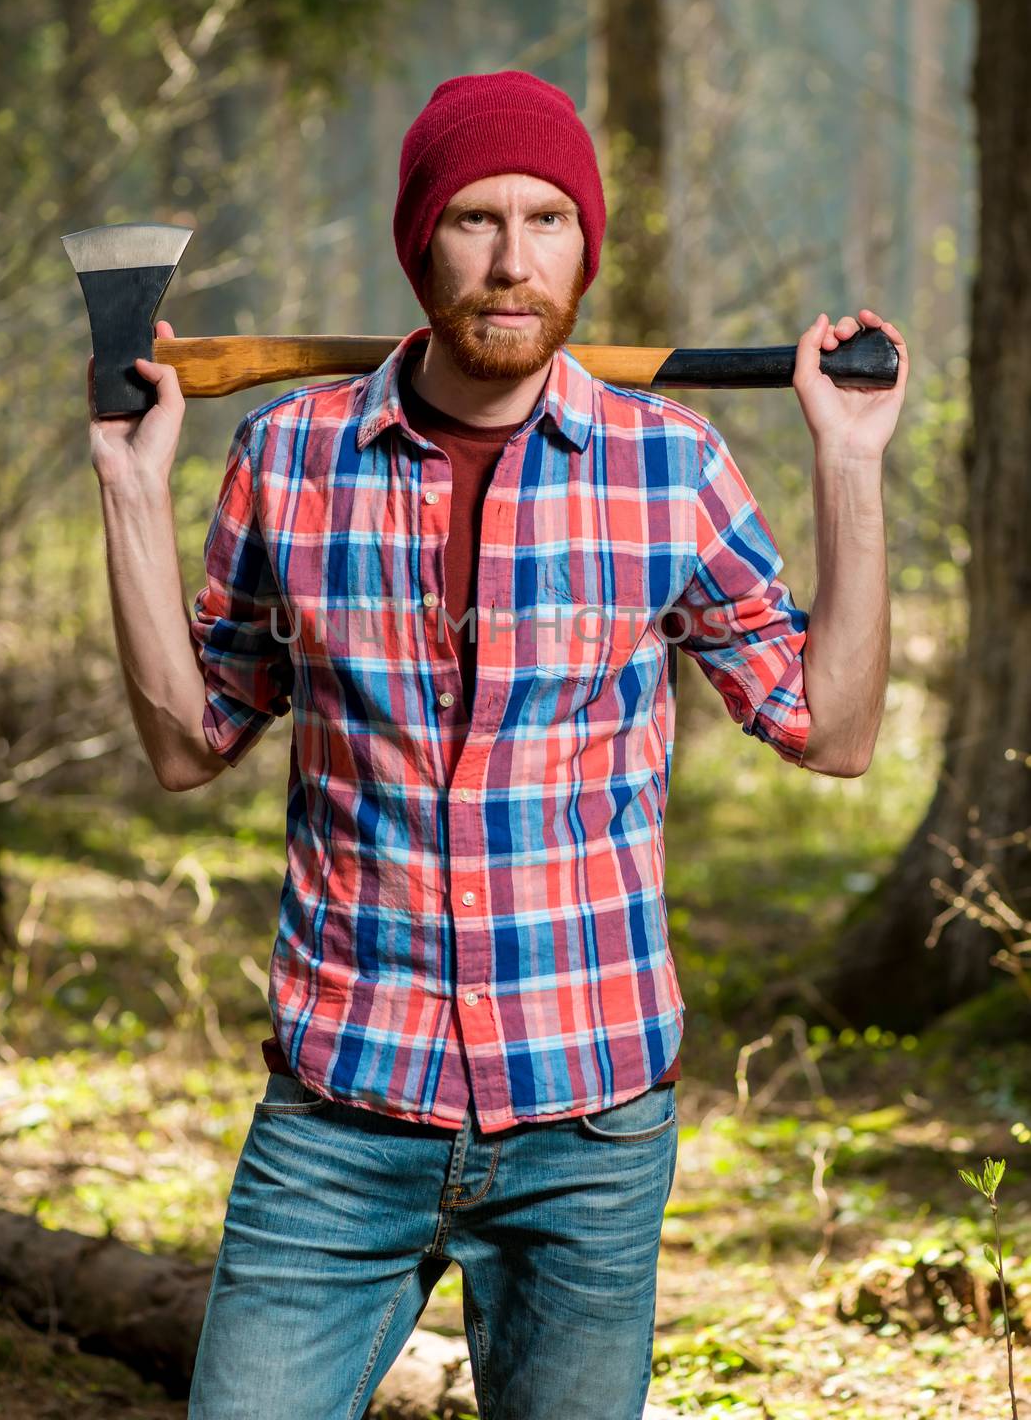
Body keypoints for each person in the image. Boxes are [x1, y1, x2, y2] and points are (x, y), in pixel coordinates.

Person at [89, 69, 908, 1419]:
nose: (514, 258)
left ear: (586, 245)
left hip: (589, 1118)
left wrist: (852, 466)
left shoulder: (671, 469)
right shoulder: (289, 458)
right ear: (423, 244)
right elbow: (189, 744)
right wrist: (128, 484)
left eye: (547, 220)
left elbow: (834, 735)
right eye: (476, 219)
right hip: (341, 1108)